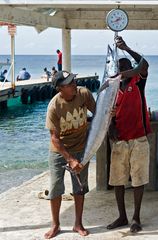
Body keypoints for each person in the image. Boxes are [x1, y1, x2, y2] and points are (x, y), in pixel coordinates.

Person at [107, 36, 151, 233]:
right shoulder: (113, 88)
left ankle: (136, 218)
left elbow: (144, 63)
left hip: (139, 139)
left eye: (126, 65)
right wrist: (111, 129)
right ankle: (122, 216)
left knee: (138, 179)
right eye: (120, 66)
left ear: (130, 69)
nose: (123, 69)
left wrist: (125, 48)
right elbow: (108, 113)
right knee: (118, 180)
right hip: (119, 141)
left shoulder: (138, 81)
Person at [45, 70, 96, 239]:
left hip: (81, 148)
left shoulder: (84, 94)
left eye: (74, 80)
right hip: (60, 151)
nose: (74, 84)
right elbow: (54, 138)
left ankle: (78, 224)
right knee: (55, 188)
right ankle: (56, 225)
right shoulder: (54, 106)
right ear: (60, 88)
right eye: (69, 83)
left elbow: (98, 112)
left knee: (80, 187)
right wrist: (70, 159)